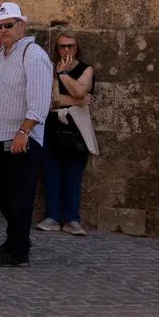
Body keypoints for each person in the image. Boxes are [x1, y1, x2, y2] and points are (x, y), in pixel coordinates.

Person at [0, 2, 54, 268]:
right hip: (0, 134)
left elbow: (40, 100)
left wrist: (25, 131)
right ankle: (17, 239)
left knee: (19, 194)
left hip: (22, 137)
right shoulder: (1, 55)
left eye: (8, 25)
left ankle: (18, 249)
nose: (2, 30)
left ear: (22, 25)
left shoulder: (33, 55)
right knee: (2, 191)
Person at [37, 30, 96, 237]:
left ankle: (72, 218)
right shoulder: (49, 68)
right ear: (57, 49)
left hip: (76, 129)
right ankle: (52, 216)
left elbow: (81, 90)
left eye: (70, 46)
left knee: (73, 175)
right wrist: (77, 100)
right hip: (52, 127)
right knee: (51, 173)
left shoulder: (85, 69)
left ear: (76, 47)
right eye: (62, 46)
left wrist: (63, 75)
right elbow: (50, 99)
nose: (67, 50)